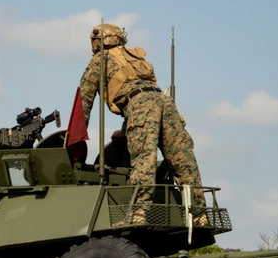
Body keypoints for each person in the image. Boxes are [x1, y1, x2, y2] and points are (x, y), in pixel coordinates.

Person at [78, 23, 204, 222]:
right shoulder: (134, 56)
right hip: (164, 102)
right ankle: (199, 214)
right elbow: (141, 91)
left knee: (144, 157)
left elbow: (84, 100)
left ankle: (139, 213)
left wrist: (75, 138)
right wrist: (124, 129)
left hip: (141, 106)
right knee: (183, 159)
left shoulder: (98, 60)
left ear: (96, 41)